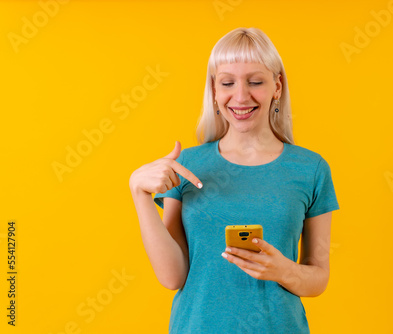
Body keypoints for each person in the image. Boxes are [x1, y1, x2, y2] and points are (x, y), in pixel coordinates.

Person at [129, 27, 340, 334]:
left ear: (277, 86)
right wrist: (139, 193)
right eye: (227, 82)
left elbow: (318, 277)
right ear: (214, 89)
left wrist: (284, 270)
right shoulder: (187, 165)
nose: (241, 96)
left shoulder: (311, 169)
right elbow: (172, 277)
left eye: (255, 81)